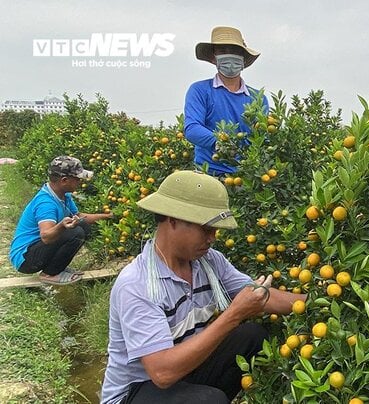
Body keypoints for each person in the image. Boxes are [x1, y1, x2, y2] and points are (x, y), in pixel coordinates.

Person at [101, 170, 305, 404]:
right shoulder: (136, 284)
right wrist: (234, 314)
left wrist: (316, 302)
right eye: (206, 229)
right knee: (208, 400)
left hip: (182, 374)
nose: (213, 238)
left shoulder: (209, 262)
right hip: (135, 391)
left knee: (252, 336)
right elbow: (162, 373)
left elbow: (260, 297)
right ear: (173, 219)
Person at [8, 156, 113, 285]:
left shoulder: (64, 196)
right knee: (76, 233)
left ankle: (57, 267)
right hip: (26, 259)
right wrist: (62, 226)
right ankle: (49, 273)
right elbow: (46, 237)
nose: (80, 182)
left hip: (37, 250)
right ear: (64, 180)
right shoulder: (46, 203)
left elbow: (79, 215)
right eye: (77, 179)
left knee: (83, 225)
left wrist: (106, 216)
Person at [184, 26, 269, 176]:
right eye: (223, 50)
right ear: (213, 57)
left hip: (248, 177)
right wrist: (219, 142)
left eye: (234, 51)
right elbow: (192, 128)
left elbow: (263, 137)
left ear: (243, 58)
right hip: (209, 176)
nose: (229, 55)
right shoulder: (200, 90)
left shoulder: (258, 98)